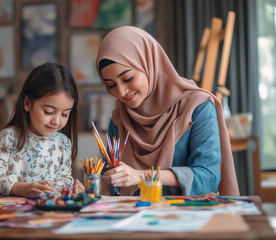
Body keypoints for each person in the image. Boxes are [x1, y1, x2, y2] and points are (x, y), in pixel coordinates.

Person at [96, 26, 239, 197]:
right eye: (110, 85)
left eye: (128, 79)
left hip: (187, 216)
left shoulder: (197, 107)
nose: (121, 92)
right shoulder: (120, 119)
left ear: (148, 63)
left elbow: (209, 177)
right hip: (134, 218)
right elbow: (109, 183)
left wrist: (141, 176)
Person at [0, 63, 85, 197]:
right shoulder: (10, 137)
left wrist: (71, 189)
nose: (57, 121)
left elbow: (63, 179)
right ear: (27, 103)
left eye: (65, 114)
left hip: (45, 213)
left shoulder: (63, 143)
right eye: (48, 112)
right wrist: (19, 188)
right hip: (9, 212)